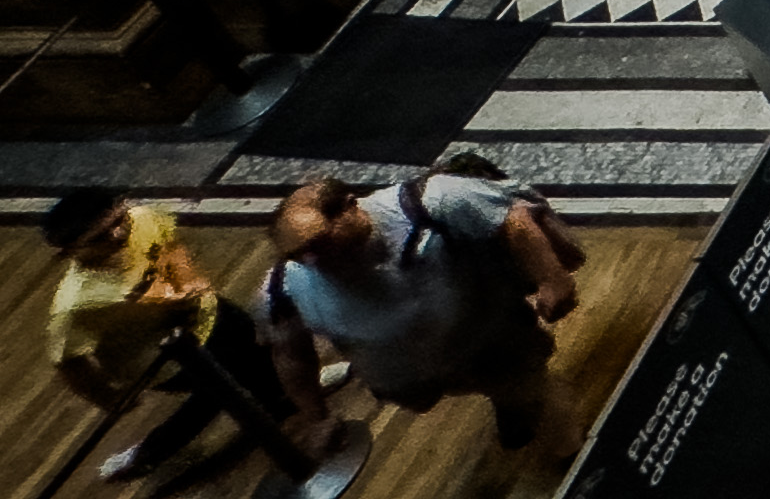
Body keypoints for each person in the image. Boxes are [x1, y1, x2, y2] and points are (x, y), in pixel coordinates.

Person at [260, 168, 578, 457]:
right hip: (407, 372)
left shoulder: (434, 201)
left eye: (321, 242)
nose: (315, 260)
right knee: (468, 384)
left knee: (526, 386)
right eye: (301, 254)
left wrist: (551, 278)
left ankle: (564, 449)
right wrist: (316, 417)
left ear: (350, 206)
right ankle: (508, 400)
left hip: (485, 331)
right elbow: (291, 355)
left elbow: (515, 221)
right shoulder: (282, 290)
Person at [44, 186, 276, 489]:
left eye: (119, 220)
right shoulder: (74, 304)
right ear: (70, 252)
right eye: (99, 237)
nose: (118, 233)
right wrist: (109, 399)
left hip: (205, 311)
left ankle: (287, 387)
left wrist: (187, 287)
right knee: (221, 389)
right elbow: (68, 361)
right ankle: (148, 452)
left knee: (249, 356)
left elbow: (171, 248)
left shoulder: (143, 218)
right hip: (163, 358)